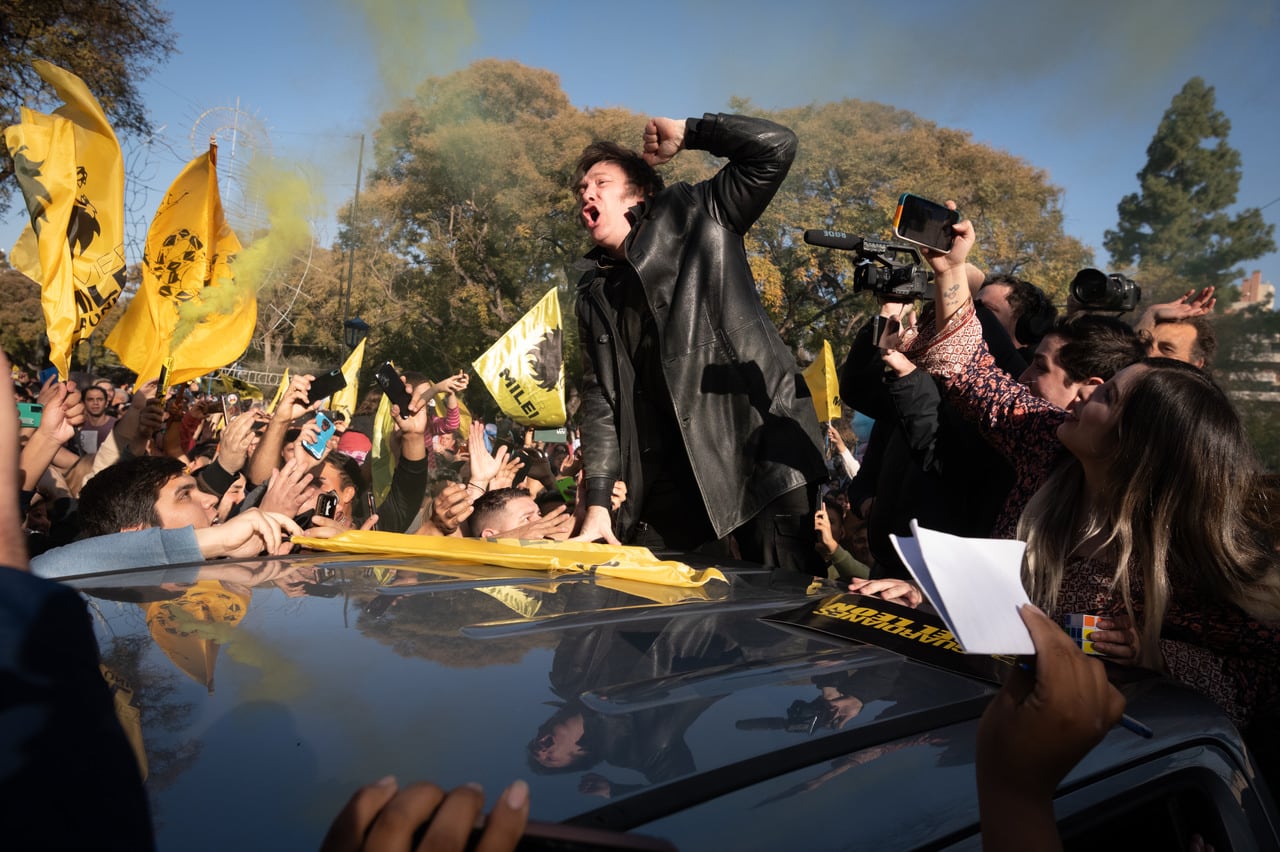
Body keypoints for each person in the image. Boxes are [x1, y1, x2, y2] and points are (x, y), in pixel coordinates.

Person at [899, 205, 1280, 753]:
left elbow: (1262, 676)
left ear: (1141, 445)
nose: (1083, 396)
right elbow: (971, 372)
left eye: (1107, 397)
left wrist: (1157, 656)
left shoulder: (1198, 549)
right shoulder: (1046, 440)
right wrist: (949, 271)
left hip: (1111, 769)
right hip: (992, 721)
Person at [572, 112, 826, 571]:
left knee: (783, 626)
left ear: (639, 194)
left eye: (601, 183)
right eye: (581, 190)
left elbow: (776, 147)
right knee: (667, 628)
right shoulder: (594, 295)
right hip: (670, 486)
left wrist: (691, 134)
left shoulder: (696, 212)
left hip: (757, 465)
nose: (586, 194)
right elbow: (600, 402)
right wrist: (598, 500)